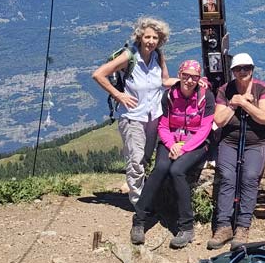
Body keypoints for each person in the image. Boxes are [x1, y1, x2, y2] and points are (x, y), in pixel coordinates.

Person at [92, 17, 175, 243]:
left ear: (160, 40)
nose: (150, 41)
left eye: (155, 38)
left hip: (154, 116)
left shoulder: (158, 56)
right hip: (133, 118)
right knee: (136, 160)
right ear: (139, 37)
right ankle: (141, 206)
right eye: (147, 37)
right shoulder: (129, 56)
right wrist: (118, 95)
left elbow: (165, 81)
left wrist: (191, 81)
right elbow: (99, 74)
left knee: (145, 159)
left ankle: (144, 196)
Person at [131, 60, 214, 249]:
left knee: (177, 170)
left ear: (199, 79)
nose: (189, 80)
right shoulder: (169, 96)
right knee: (160, 168)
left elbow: (204, 129)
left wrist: (183, 148)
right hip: (172, 141)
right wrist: (171, 144)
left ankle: (186, 227)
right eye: (186, 75)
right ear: (180, 74)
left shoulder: (205, 97)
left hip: (197, 143)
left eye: (194, 77)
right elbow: (163, 125)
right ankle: (139, 221)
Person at [208, 53, 265, 250]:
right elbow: (219, 120)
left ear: (252, 69)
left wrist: (245, 103)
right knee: (227, 176)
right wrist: (233, 103)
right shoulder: (225, 90)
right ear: (233, 71)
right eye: (238, 69)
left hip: (256, 142)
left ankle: (243, 226)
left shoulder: (262, 88)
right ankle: (223, 226)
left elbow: (264, 116)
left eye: (246, 68)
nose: (242, 72)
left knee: (250, 176)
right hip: (230, 140)